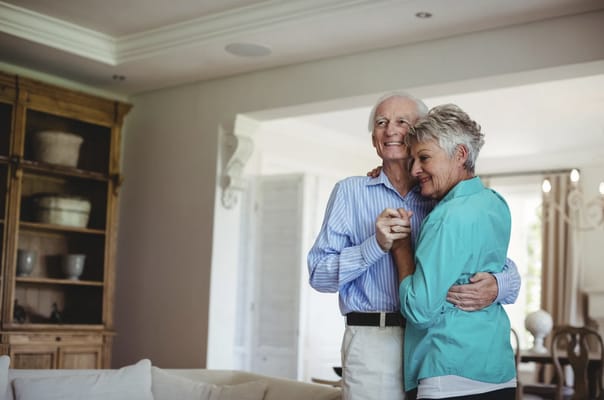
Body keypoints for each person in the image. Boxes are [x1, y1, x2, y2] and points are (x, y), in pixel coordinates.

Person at [307, 92, 520, 400]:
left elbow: (483, 257)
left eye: (401, 122)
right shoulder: (349, 192)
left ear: (422, 131)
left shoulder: (441, 194)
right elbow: (318, 275)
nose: (390, 130)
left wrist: (500, 285)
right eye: (381, 122)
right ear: (373, 139)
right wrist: (375, 246)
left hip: (433, 345)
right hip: (374, 344)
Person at [395, 104, 516, 399]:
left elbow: (419, 309)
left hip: (449, 371)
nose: (414, 170)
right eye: (412, 160)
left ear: (460, 154)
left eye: (424, 158)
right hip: (499, 372)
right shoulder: (497, 204)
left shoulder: (446, 217)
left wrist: (401, 249)